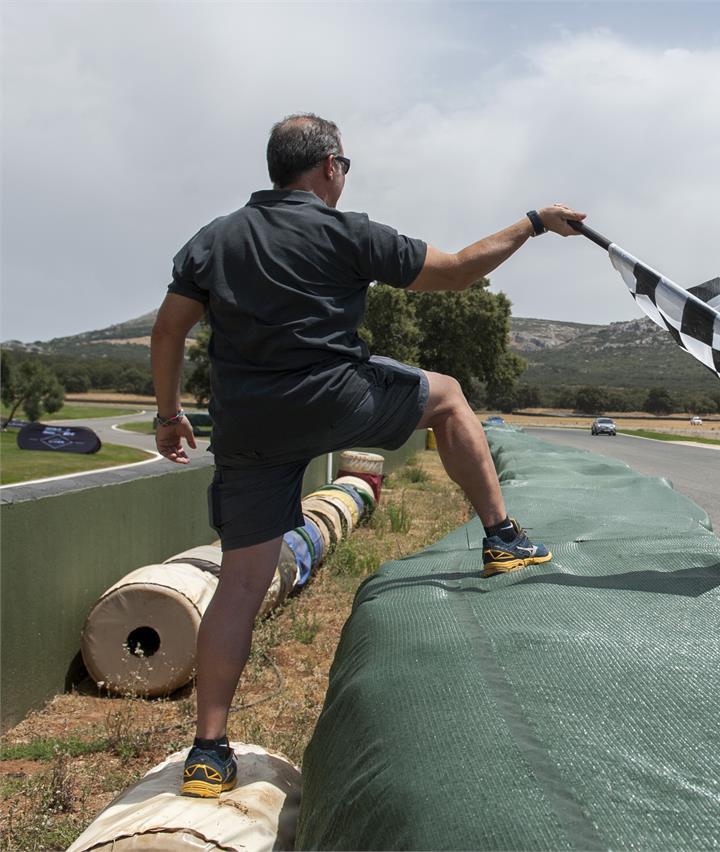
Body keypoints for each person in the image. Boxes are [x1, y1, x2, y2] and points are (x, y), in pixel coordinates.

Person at [149, 113, 586, 798]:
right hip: (337, 399)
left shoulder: (216, 237)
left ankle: (207, 752)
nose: (345, 177)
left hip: (250, 424)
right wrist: (533, 221)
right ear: (328, 166)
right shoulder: (348, 233)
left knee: (238, 587)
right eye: (345, 166)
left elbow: (169, 328)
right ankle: (502, 537)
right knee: (445, 397)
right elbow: (458, 272)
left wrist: (171, 414)